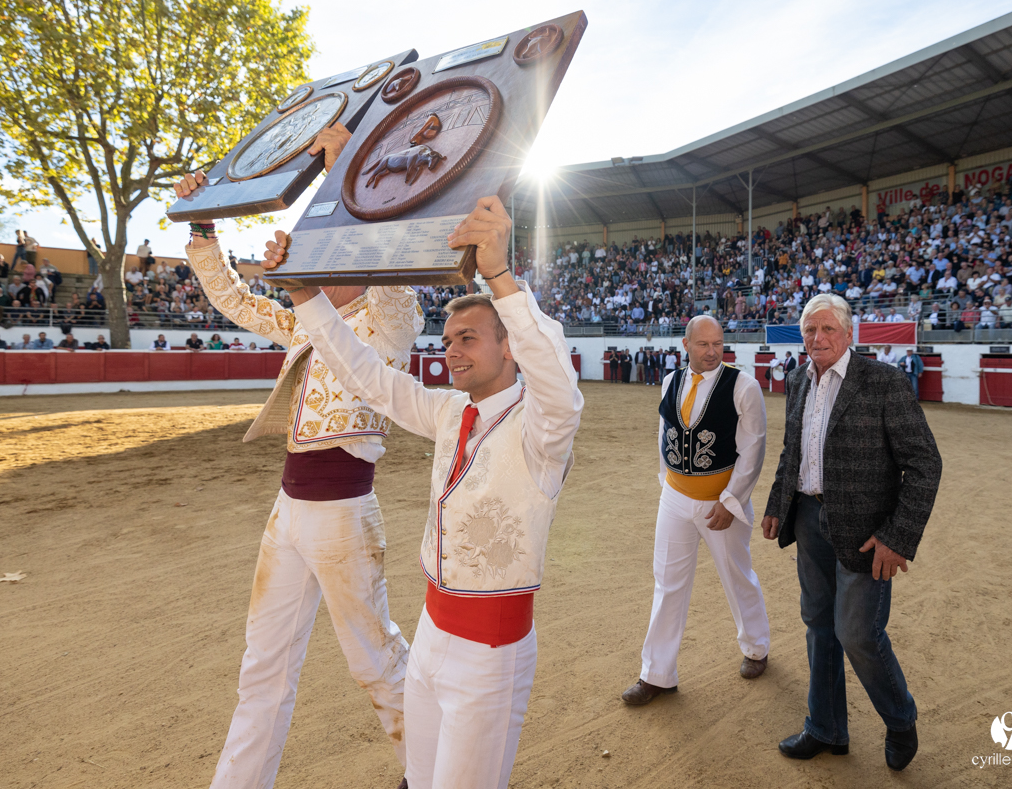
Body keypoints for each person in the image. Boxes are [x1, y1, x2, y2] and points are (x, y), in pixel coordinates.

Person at [266, 194, 582, 789]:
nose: (451, 351)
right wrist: (304, 294)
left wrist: (498, 275)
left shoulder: (542, 428)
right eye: (446, 340)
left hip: (491, 649)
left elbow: (559, 387)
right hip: (432, 634)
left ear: (509, 344)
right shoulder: (448, 411)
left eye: (467, 338)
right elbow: (366, 375)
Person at [174, 129, 424, 789]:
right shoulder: (305, 323)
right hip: (290, 509)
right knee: (263, 664)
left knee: (375, 659)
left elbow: (375, 240)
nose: (311, 263)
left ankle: (435, 775)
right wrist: (202, 225)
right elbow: (232, 298)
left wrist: (342, 166)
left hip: (344, 513)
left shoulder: (393, 317)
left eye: (329, 252)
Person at [761, 293, 941, 772]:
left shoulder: (884, 381)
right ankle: (826, 728)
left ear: (848, 335)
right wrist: (778, 505)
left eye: (827, 330)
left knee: (857, 633)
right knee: (819, 627)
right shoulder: (798, 379)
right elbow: (792, 451)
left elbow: (924, 464)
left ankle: (901, 718)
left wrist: (898, 537)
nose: (817, 339)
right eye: (809, 331)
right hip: (808, 519)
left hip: (867, 533)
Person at [622, 316, 770, 706]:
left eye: (718, 344)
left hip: (720, 502)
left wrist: (730, 501)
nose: (712, 351)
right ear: (685, 344)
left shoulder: (743, 385)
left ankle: (757, 647)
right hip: (674, 497)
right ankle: (657, 674)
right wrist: (668, 486)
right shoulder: (671, 380)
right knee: (667, 582)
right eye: (703, 344)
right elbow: (664, 435)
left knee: (737, 575)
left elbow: (753, 449)